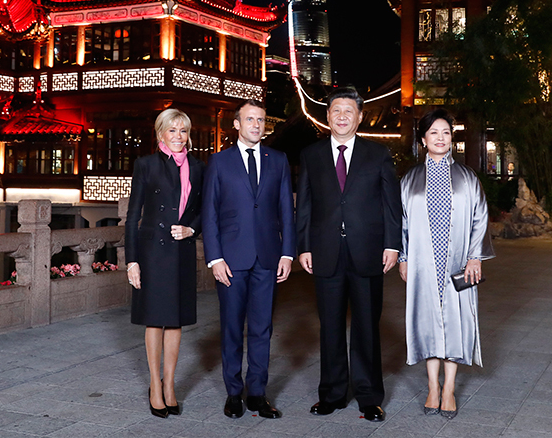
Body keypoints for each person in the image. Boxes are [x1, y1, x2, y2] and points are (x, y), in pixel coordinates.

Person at [296, 87, 402, 422]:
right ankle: (331, 394)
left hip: (368, 251)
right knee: (329, 326)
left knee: (367, 326)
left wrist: (392, 245)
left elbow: (391, 205)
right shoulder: (311, 154)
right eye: (336, 111)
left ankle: (369, 396)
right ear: (327, 116)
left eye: (348, 111)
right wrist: (304, 246)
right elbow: (305, 204)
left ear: (359, 117)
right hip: (325, 251)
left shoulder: (378, 154)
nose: (342, 117)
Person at [201, 99, 295, 420]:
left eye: (261, 120)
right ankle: (233, 392)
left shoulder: (278, 160)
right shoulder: (219, 162)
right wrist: (214, 258)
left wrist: (287, 252)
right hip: (230, 259)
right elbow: (209, 213)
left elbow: (286, 210)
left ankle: (257, 393)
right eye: (250, 119)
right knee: (231, 327)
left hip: (268, 257)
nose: (256, 125)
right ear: (237, 124)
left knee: (261, 328)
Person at [398, 108, 495, 419]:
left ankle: (449, 388)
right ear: (423, 139)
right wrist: (404, 256)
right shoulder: (410, 179)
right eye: (433, 133)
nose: (440, 138)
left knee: (456, 322)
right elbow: (402, 222)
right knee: (426, 321)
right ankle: (432, 387)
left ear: (452, 138)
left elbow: (480, 218)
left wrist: (475, 256)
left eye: (446, 133)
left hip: (458, 262)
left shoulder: (467, 178)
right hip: (423, 262)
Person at [125, 108, 205, 419]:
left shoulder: (198, 167)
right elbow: (133, 215)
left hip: (181, 250)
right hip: (152, 252)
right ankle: (154, 385)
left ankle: (169, 384)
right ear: (161, 133)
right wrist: (132, 260)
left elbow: (203, 210)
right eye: (172, 130)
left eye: (183, 130)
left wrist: (191, 229)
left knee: (175, 320)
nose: (178, 136)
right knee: (154, 319)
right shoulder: (146, 164)